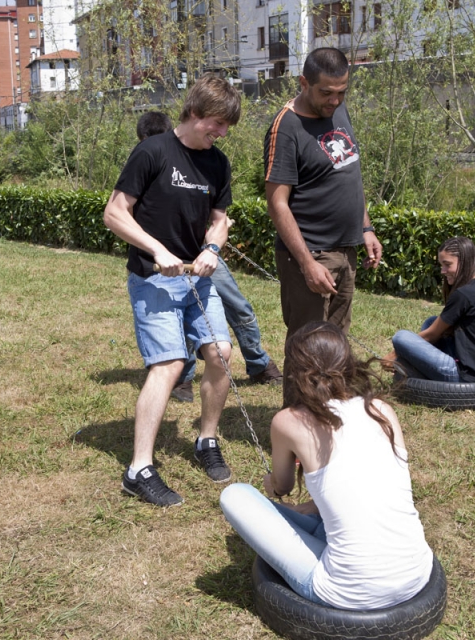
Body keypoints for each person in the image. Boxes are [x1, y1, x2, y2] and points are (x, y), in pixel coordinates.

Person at [220, 321, 434, 609]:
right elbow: (362, 481)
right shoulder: (381, 410)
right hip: (417, 572)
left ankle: (312, 526)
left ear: (296, 372)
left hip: (348, 591)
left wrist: (270, 483)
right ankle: (313, 518)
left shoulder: (289, 421)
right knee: (322, 511)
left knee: (235, 496)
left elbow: (281, 488)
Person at [104, 75, 241, 507]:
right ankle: (138, 468)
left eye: (225, 129)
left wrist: (213, 247)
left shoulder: (217, 164)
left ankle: (206, 439)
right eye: (216, 125)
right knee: (168, 364)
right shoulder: (153, 152)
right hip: (153, 278)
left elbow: (220, 219)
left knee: (221, 353)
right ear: (195, 113)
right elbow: (114, 213)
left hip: (197, 278)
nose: (220, 134)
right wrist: (157, 249)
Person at [135, 111, 283, 403]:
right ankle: (183, 378)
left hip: (205, 257)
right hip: (167, 265)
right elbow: (127, 216)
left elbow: (214, 213)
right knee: (179, 319)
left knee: (239, 308)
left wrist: (216, 236)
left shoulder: (207, 160)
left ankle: (258, 362)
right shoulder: (146, 163)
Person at [264, 47, 383, 341]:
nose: (335, 100)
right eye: (326, 92)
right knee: (308, 346)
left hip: (347, 247)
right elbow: (277, 204)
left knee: (336, 344)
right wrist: (307, 264)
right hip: (312, 253)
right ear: (304, 83)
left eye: (342, 91)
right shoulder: (286, 128)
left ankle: (333, 390)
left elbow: (348, 171)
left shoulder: (338, 109)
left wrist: (365, 227)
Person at [384, 236, 475, 382]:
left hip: (466, 374)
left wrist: (395, 354)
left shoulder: (463, 294)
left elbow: (431, 336)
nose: (443, 270)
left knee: (401, 337)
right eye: (442, 265)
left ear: (465, 262)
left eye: (447, 264)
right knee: (432, 321)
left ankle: (412, 366)